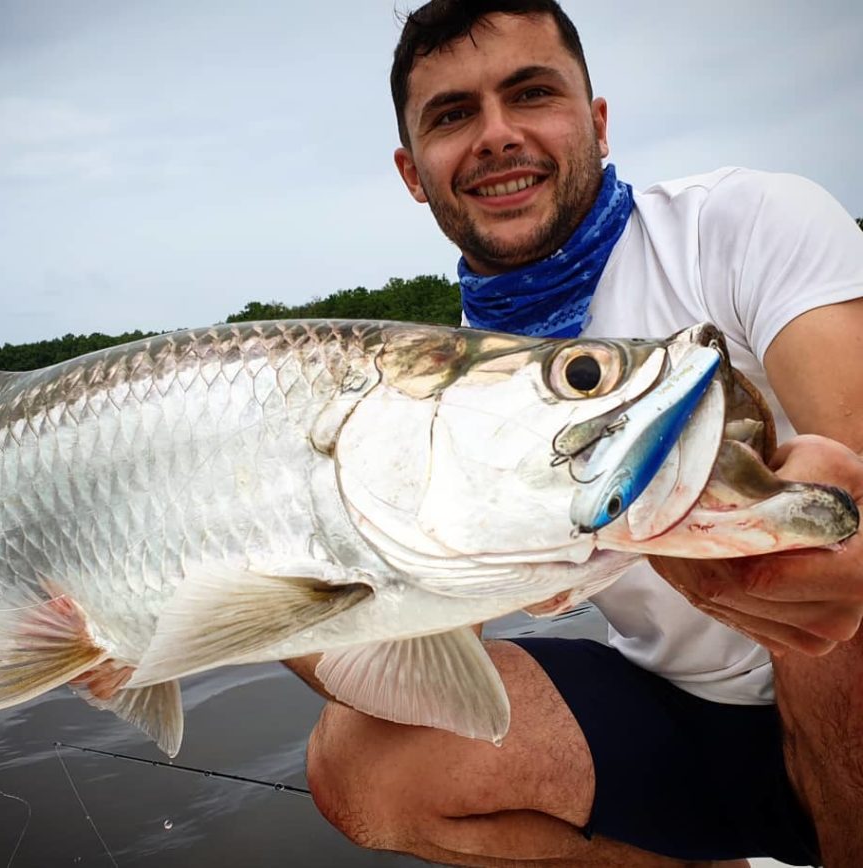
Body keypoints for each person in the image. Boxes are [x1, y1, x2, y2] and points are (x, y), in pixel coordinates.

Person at [286, 2, 863, 866]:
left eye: (531, 93)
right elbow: (413, 661)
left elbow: (852, 451)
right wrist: (259, 606)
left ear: (595, 121)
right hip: (684, 710)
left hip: (840, 694)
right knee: (363, 764)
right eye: (453, 115)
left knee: (829, 597)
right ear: (413, 172)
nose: (495, 135)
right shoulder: (445, 382)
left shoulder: (743, 224)